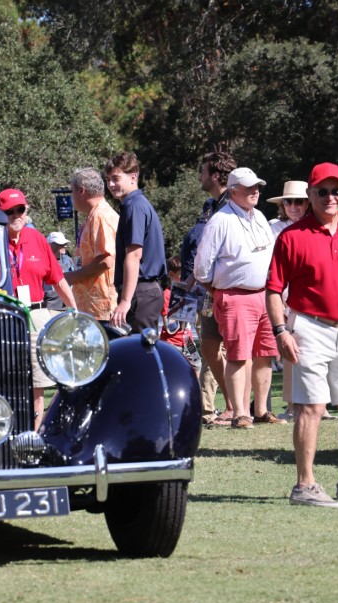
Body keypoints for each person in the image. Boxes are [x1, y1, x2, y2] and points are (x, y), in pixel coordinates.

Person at [266, 162, 338, 508]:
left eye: (336, 190)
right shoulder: (291, 236)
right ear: (310, 194)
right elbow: (273, 290)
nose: (330, 197)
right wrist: (281, 331)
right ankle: (305, 485)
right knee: (311, 408)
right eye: (322, 191)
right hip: (308, 328)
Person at [193, 167, 280, 429]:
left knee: (265, 354)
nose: (255, 191)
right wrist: (219, 292)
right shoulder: (220, 220)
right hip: (235, 295)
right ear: (233, 191)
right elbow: (201, 269)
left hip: (264, 294)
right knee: (238, 355)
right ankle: (240, 413)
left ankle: (261, 410)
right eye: (249, 187)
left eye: (257, 187)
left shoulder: (261, 216)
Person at [0, 188, 77, 429]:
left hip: (34, 316)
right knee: (2, 380)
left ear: (26, 210)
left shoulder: (38, 240)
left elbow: (58, 280)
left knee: (36, 387)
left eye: (20, 210)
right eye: (9, 212)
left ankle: (33, 437)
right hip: (2, 318)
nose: (16, 215)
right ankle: (3, 434)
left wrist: (74, 311)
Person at [180, 150, 236, 424]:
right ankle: (232, 404)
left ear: (215, 175)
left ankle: (239, 407)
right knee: (210, 348)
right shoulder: (212, 206)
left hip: (231, 289)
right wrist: (191, 281)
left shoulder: (234, 203)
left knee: (235, 350)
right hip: (209, 291)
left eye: (203, 172)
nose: (200, 177)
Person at [265, 180, 311, 421]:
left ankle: (315, 406)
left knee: (311, 353)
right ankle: (293, 407)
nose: (293, 206)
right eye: (289, 201)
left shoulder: (314, 227)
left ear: (307, 203)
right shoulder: (273, 229)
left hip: (310, 298)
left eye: (299, 201)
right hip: (283, 297)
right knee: (290, 354)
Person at [106, 152, 166, 333]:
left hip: (141, 293)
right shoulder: (135, 204)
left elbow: (134, 255)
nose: (110, 184)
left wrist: (125, 301)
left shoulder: (134, 206)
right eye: (108, 179)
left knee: (140, 355)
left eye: (116, 178)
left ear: (133, 177)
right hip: (142, 292)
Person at [66, 167, 119, 321]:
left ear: (81, 191)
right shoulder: (93, 215)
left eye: (72, 192)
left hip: (102, 311)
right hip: (92, 310)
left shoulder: (101, 216)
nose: (72, 196)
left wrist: (72, 277)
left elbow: (106, 260)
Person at [43, 231, 75, 310]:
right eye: (60, 244)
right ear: (52, 245)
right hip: (50, 305)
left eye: (65, 244)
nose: (64, 246)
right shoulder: (44, 261)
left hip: (67, 305)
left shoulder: (68, 260)